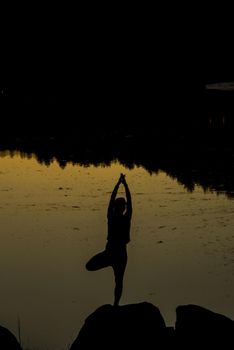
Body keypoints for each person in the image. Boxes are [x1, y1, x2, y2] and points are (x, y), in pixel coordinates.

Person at [86, 173, 132, 306]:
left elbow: (128, 202)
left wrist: (122, 184)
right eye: (122, 206)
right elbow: (112, 201)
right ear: (118, 208)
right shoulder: (113, 217)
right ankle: (108, 263)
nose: (124, 208)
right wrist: (121, 184)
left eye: (124, 206)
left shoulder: (123, 218)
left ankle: (116, 304)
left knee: (119, 280)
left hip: (119, 254)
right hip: (111, 252)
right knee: (89, 266)